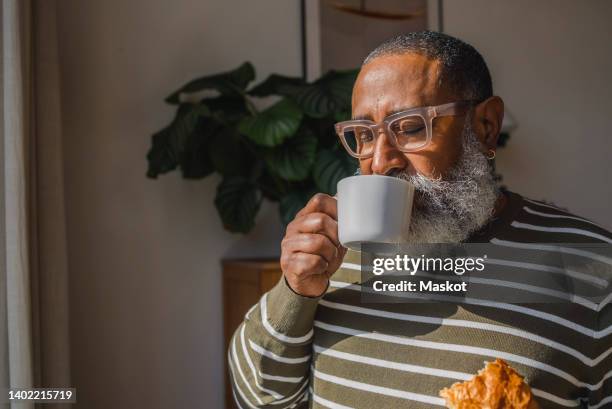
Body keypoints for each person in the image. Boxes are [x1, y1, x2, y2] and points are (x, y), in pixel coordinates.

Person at [228, 31, 611, 409]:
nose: (379, 162)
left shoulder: (593, 269)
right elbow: (258, 397)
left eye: (411, 128)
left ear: (486, 126)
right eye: (363, 135)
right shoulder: (334, 255)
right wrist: (295, 290)